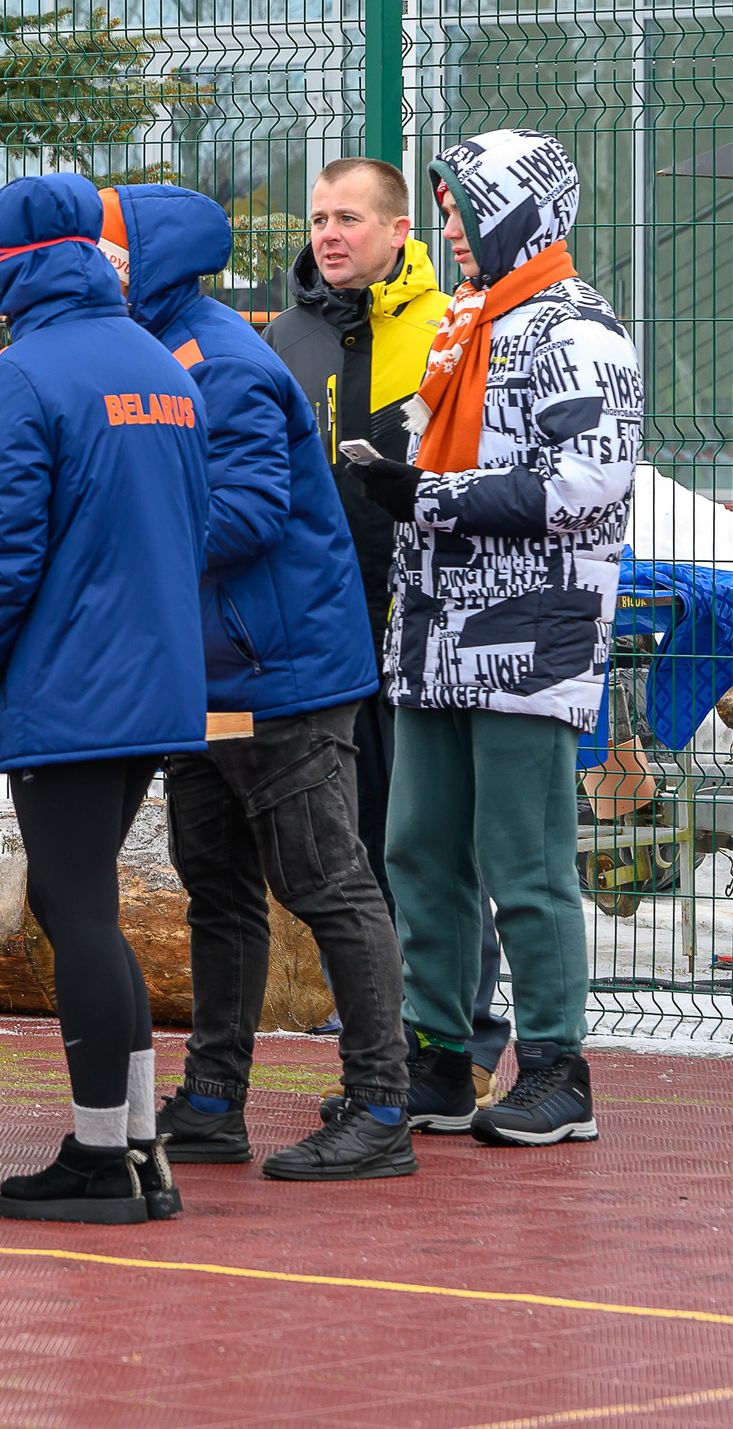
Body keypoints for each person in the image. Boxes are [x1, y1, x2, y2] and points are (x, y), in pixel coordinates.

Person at [100, 184, 413, 1183]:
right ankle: (211, 1102)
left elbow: (246, 517)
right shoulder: (156, 354)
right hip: (204, 674)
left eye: (109, 256)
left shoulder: (220, 364)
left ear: (148, 263)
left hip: (281, 672)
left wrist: (111, 554)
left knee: (327, 882)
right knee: (217, 891)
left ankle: (379, 1107)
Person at [347, 129, 641, 1148]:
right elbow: (432, 446)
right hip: (434, 633)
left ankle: (558, 1072)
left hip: (533, 634)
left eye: (463, 207)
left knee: (524, 860)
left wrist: (427, 492)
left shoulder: (580, 328)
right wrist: (382, 459)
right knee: (417, 849)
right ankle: (438, 1060)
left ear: (517, 212)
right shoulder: (466, 326)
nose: (449, 229)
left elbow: (587, 480)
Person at [0, 173, 210, 1225]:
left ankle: (102, 1157)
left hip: (69, 682)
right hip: (153, 678)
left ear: (10, 263)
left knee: (76, 905)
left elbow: (0, 550)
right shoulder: (154, 360)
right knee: (78, 900)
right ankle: (135, 1145)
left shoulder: (21, 374)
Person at [264, 158, 449, 906]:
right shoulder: (282, 337)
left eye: (349, 219)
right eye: (319, 220)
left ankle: (449, 1010)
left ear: (400, 228)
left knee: (431, 832)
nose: (329, 236)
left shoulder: (451, 326)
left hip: (429, 619)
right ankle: (372, 1008)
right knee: (346, 829)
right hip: (323, 625)